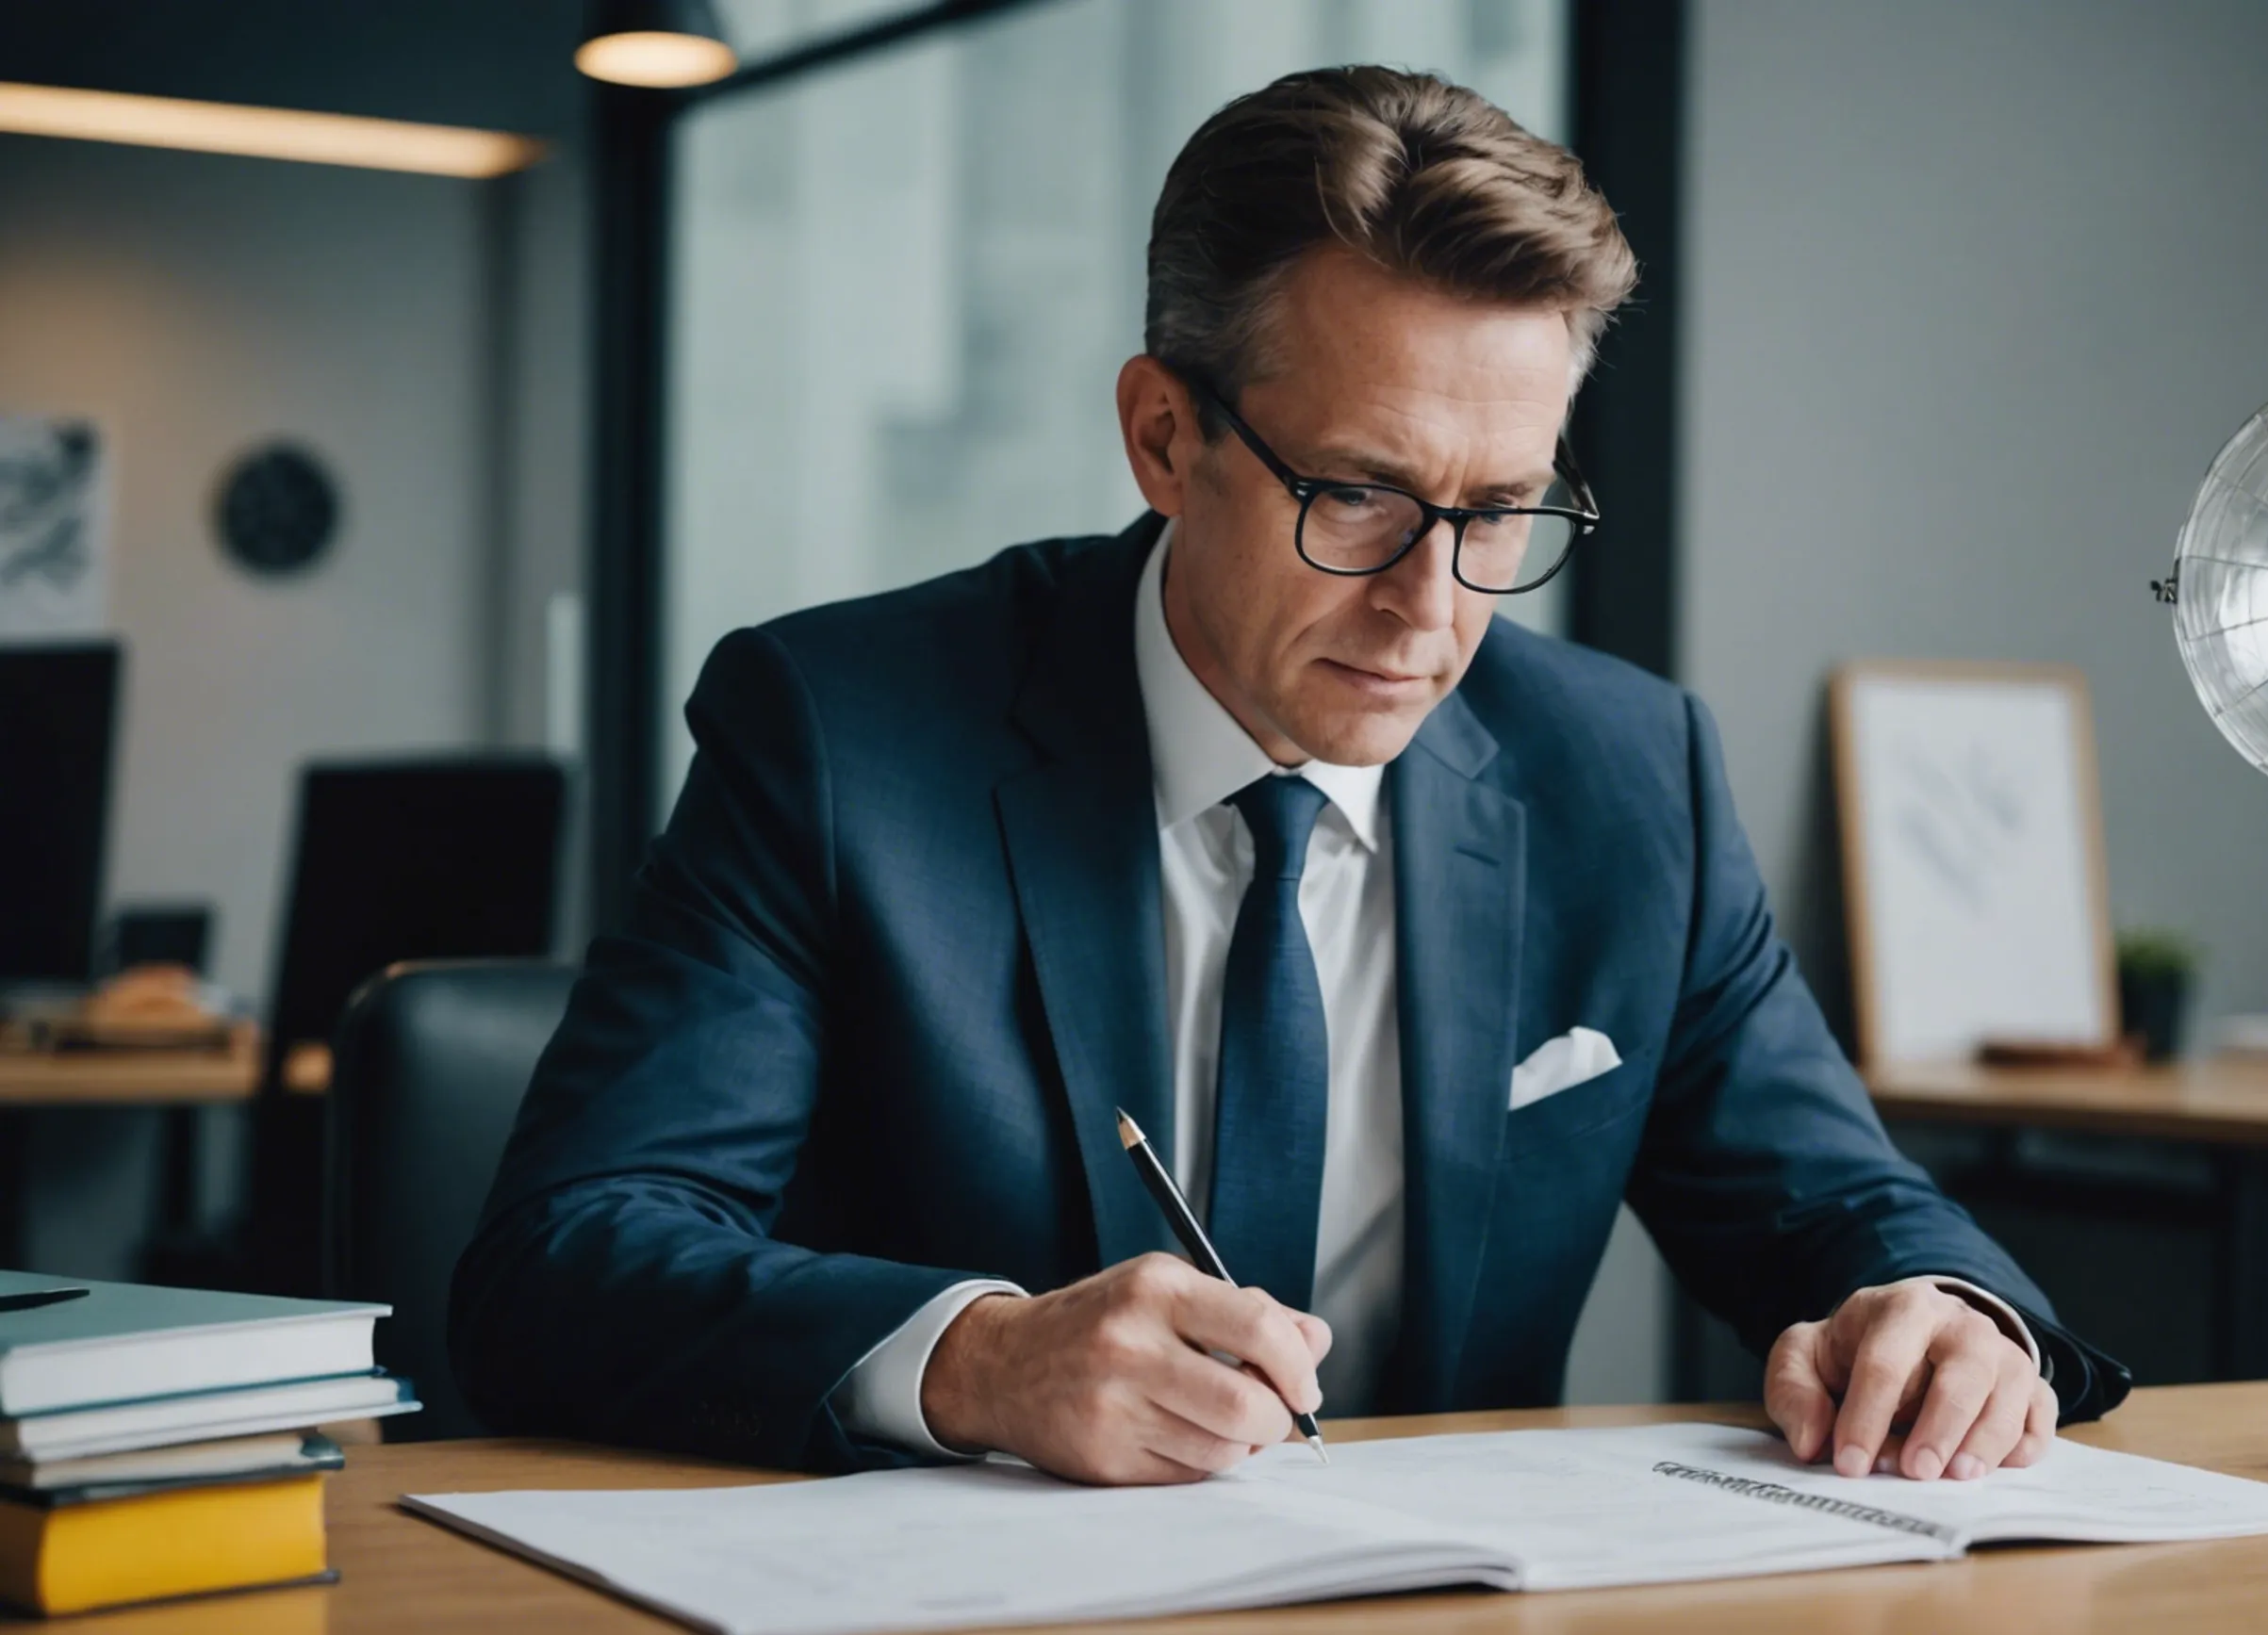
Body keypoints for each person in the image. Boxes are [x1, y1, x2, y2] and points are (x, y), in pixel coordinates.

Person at [452, 64, 2128, 1489]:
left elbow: (1842, 1201)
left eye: (1501, 515)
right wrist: (978, 1359)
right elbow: (563, 1260)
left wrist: (1943, 1315)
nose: (1433, 602)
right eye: (1359, 495)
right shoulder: (838, 731)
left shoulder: (1630, 777)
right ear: (1163, 436)